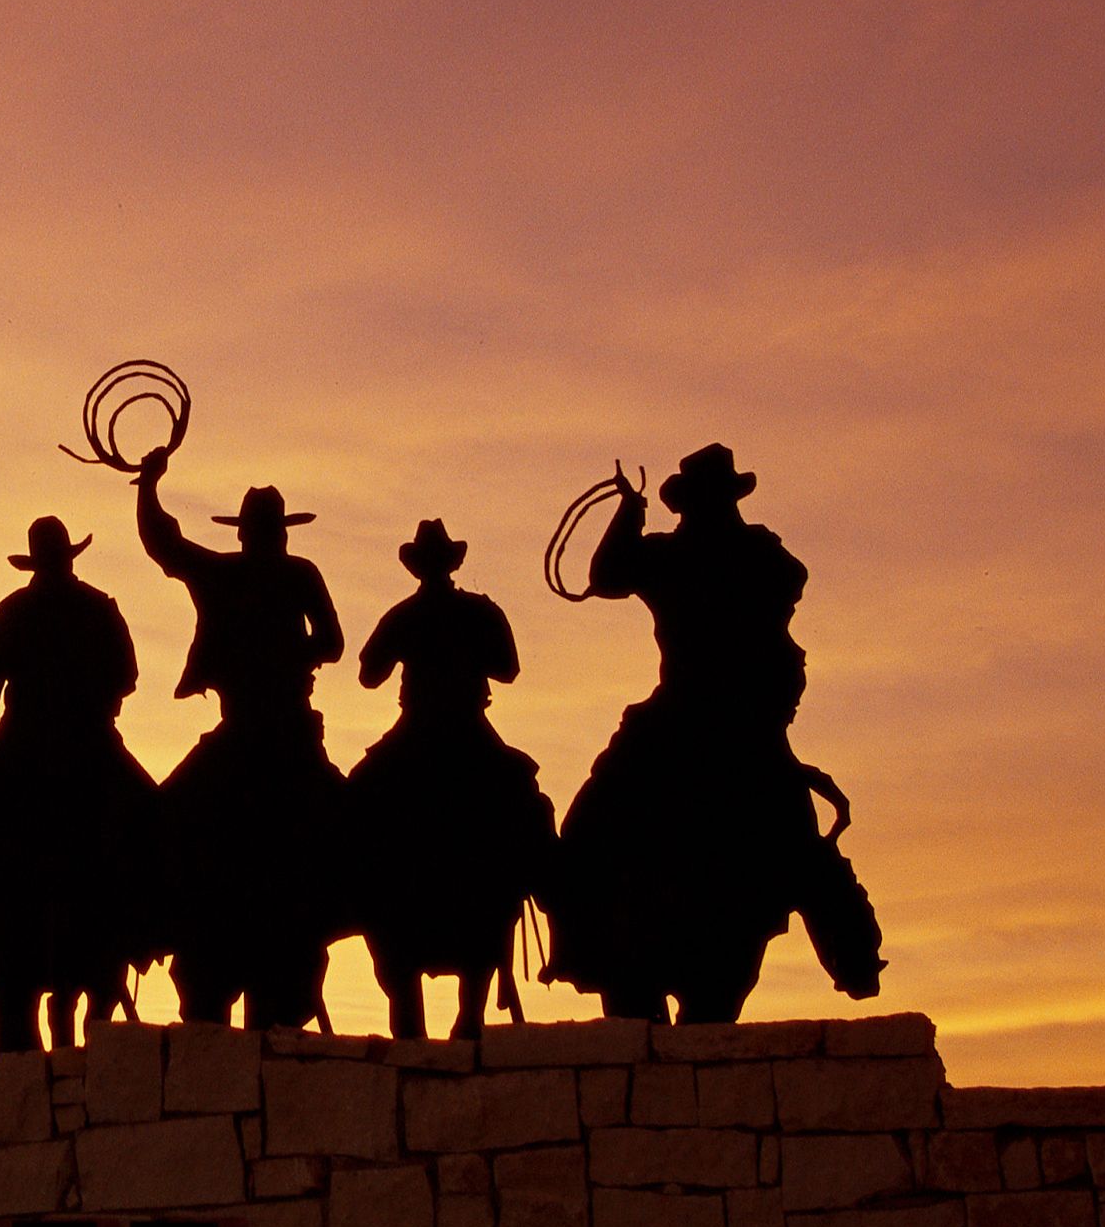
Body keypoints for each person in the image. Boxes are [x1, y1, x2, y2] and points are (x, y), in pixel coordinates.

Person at [540, 446, 884, 1022]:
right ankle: (856, 955)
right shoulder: (764, 556)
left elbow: (604, 576)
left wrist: (630, 512)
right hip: (743, 726)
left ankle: (578, 932)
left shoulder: (684, 557)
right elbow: (787, 589)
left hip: (691, 719)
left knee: (589, 827)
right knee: (803, 850)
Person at [133, 444, 346, 1027]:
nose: (268, 537)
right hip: (283, 732)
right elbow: (332, 643)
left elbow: (166, 548)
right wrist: (147, 489)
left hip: (250, 731)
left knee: (162, 814)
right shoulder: (296, 573)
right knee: (347, 819)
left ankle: (148, 914)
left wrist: (150, 487)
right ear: (273, 532)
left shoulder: (237, 574)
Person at [0, 516, 162, 1051]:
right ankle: (151, 921)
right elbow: (128, 677)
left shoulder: (12, 611)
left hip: (19, 745)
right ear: (68, 557)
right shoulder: (98, 607)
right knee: (154, 820)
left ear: (35, 562)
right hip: (90, 743)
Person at [346, 519, 555, 1039]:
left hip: (415, 733)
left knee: (353, 803)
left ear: (418, 566)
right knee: (527, 802)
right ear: (451, 564)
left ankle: (350, 895)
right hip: (468, 732)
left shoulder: (405, 614)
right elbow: (508, 669)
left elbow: (368, 673)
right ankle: (547, 894)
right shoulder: (480, 611)